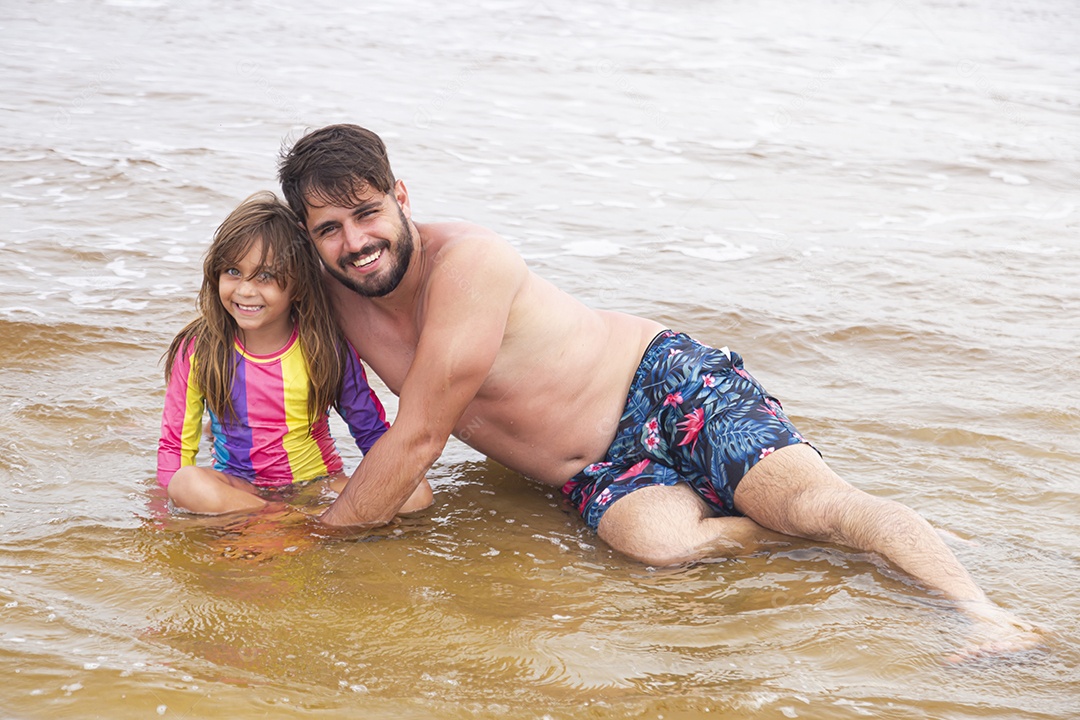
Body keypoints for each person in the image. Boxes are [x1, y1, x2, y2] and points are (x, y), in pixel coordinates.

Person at [277, 125, 1041, 659]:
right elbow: (241, 313)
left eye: (368, 212)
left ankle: (987, 616)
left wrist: (316, 541)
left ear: (401, 196)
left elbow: (418, 437)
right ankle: (883, 533)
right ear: (308, 236)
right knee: (663, 550)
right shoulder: (334, 291)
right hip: (595, 469)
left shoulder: (470, 263)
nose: (355, 241)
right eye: (329, 228)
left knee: (815, 506)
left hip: (662, 385)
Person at [157, 190, 432, 516]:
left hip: (321, 486)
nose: (245, 290)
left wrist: (384, 484)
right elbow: (176, 445)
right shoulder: (199, 349)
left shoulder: (326, 345)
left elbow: (369, 430)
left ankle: (276, 522)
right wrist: (162, 518)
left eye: (265, 276)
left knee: (416, 492)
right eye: (232, 271)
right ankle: (290, 521)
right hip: (240, 489)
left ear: (298, 285)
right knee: (186, 484)